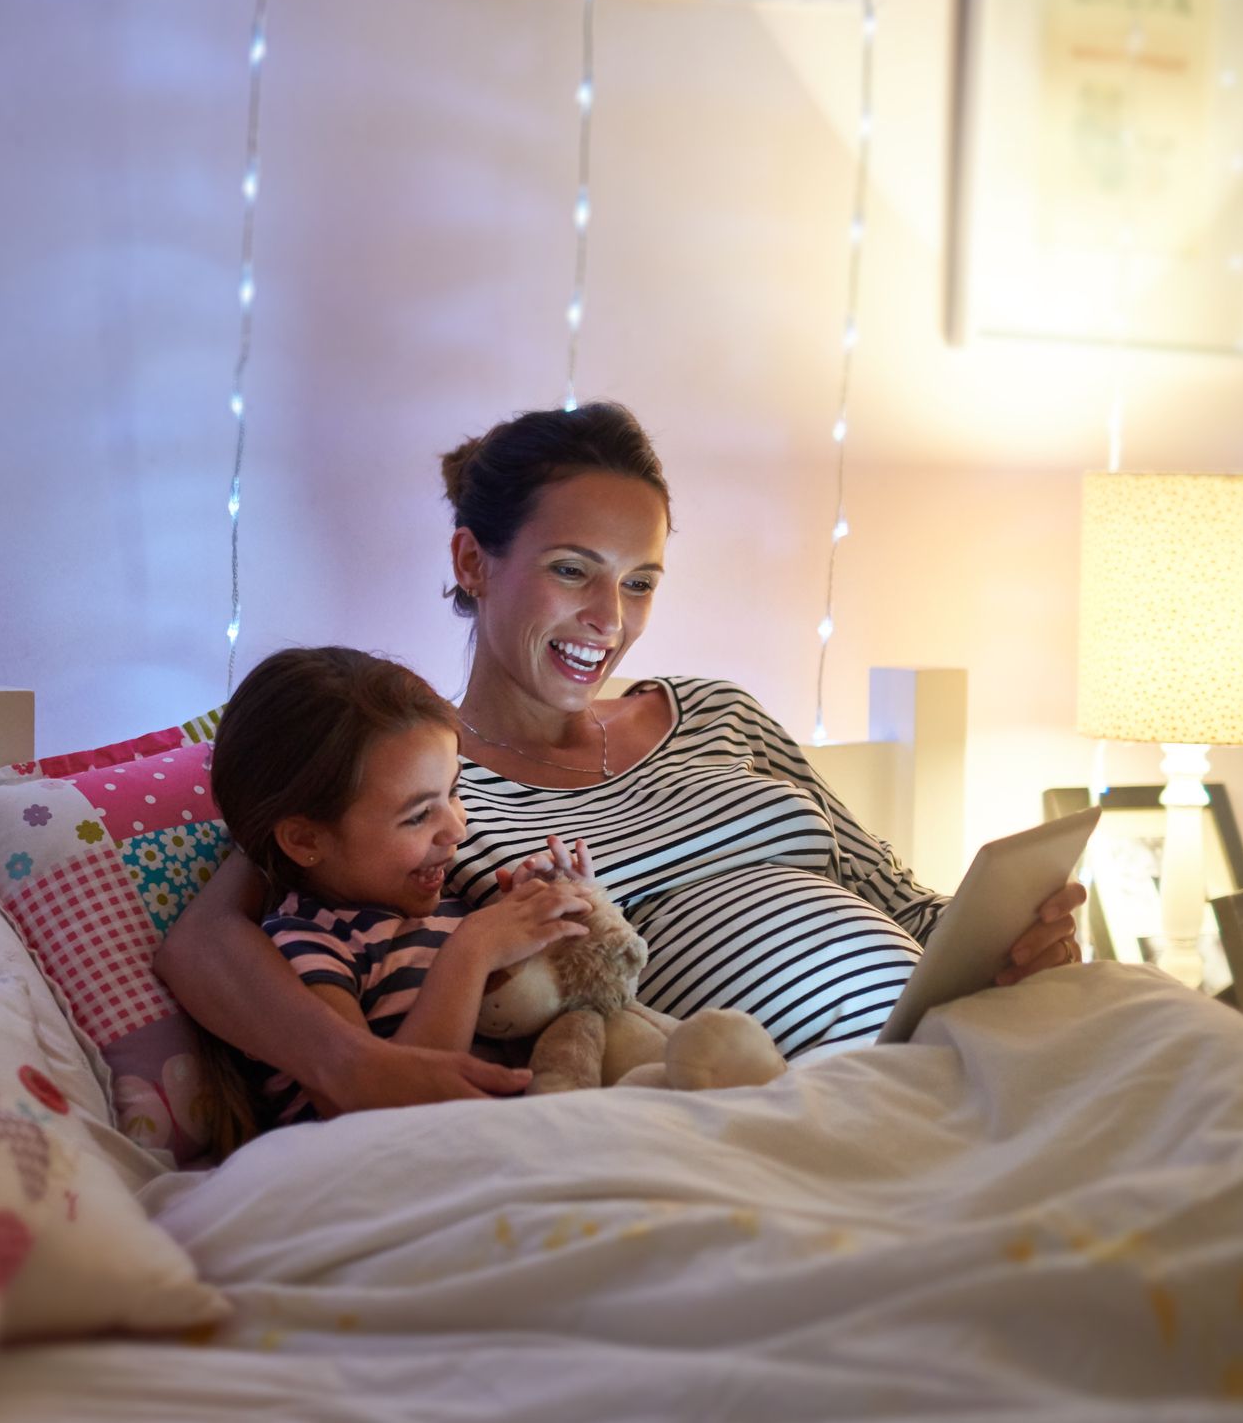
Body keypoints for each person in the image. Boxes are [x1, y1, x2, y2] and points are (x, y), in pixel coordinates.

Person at [156, 401, 1085, 1116]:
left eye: (639, 583)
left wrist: (1017, 946)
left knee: (1178, 1060)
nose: (610, 619)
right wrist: (348, 1061)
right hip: (788, 1097)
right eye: (573, 570)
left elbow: (906, 903)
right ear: (473, 563)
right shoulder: (404, 773)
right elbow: (205, 940)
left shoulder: (720, 712)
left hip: (967, 1044)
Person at [204, 644, 596, 1129]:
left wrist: (556, 915)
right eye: (417, 815)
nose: (456, 829)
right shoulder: (309, 942)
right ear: (306, 838)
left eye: (453, 791)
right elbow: (384, 1114)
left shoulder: (451, 903)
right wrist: (473, 950)